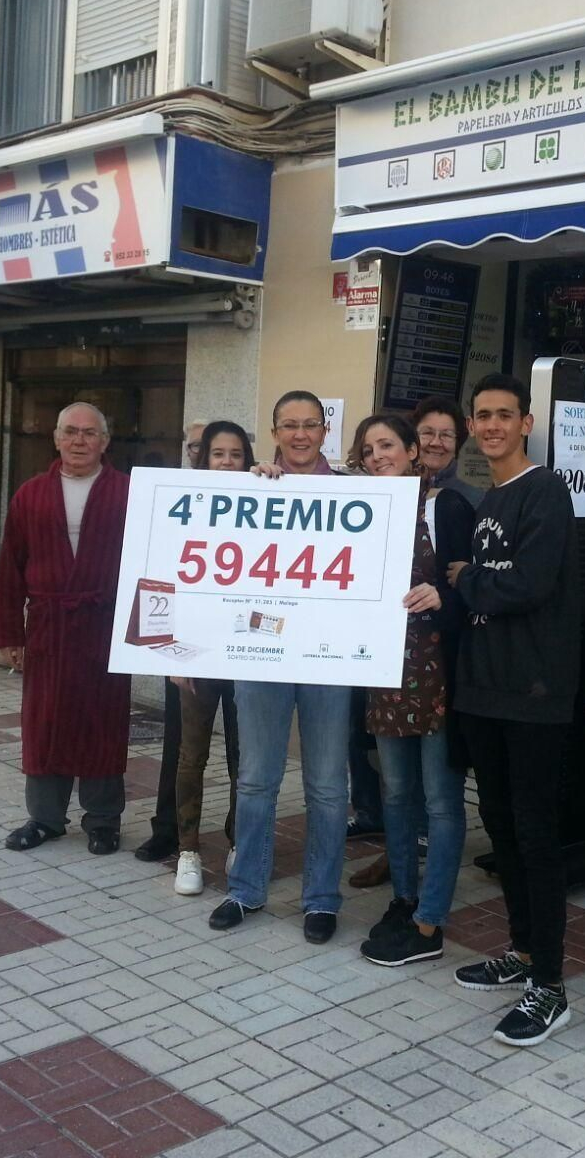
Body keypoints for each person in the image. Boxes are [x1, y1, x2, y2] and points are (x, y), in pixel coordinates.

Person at [446, 373, 582, 1046]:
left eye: (504, 415)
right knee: (499, 829)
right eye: (483, 415)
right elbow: (493, 593)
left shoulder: (547, 491)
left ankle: (550, 987)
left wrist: (468, 578)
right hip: (484, 692)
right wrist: (477, 586)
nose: (493, 425)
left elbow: (526, 585)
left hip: (533, 695)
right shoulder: (488, 499)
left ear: (526, 423)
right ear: (473, 426)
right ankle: (523, 952)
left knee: (535, 836)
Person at [208, 391, 353, 944]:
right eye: (288, 425)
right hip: (260, 649)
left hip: (327, 655)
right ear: (273, 431)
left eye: (309, 425)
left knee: (326, 785)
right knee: (255, 778)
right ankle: (245, 889)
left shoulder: (349, 490)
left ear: (323, 431)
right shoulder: (253, 484)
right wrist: (247, 481)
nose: (299, 435)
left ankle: (321, 898)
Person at [345, 415, 472, 968]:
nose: (377, 456)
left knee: (442, 800)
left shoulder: (445, 508)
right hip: (383, 673)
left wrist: (445, 597)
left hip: (438, 669)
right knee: (396, 794)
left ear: (413, 449)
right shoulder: (358, 512)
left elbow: (473, 589)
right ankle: (403, 898)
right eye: (368, 449)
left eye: (387, 445)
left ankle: (432, 917)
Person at [0, 402, 132, 856]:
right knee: (44, 722)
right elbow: (11, 568)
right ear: (56, 438)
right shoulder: (30, 494)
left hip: (103, 625)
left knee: (103, 722)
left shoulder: (128, 493)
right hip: (49, 627)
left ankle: (104, 820)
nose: (79, 441)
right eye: (70, 432)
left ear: (105, 442)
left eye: (90, 433)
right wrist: (11, 632)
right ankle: (45, 818)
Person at [170, 421, 252, 895]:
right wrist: (170, 653)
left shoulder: (264, 499)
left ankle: (240, 839)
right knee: (192, 755)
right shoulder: (184, 505)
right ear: (203, 459)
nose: (226, 462)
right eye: (217, 454)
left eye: (236, 454)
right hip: (195, 651)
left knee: (246, 755)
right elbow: (161, 575)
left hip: (247, 652)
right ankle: (188, 850)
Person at [136, 421, 211, 862]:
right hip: (183, 645)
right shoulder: (171, 496)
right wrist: (161, 643)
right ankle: (169, 831)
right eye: (197, 446)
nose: (204, 454)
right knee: (180, 747)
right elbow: (154, 566)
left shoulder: (256, 492)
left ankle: (236, 833)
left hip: (239, 648)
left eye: (219, 449)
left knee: (240, 752)